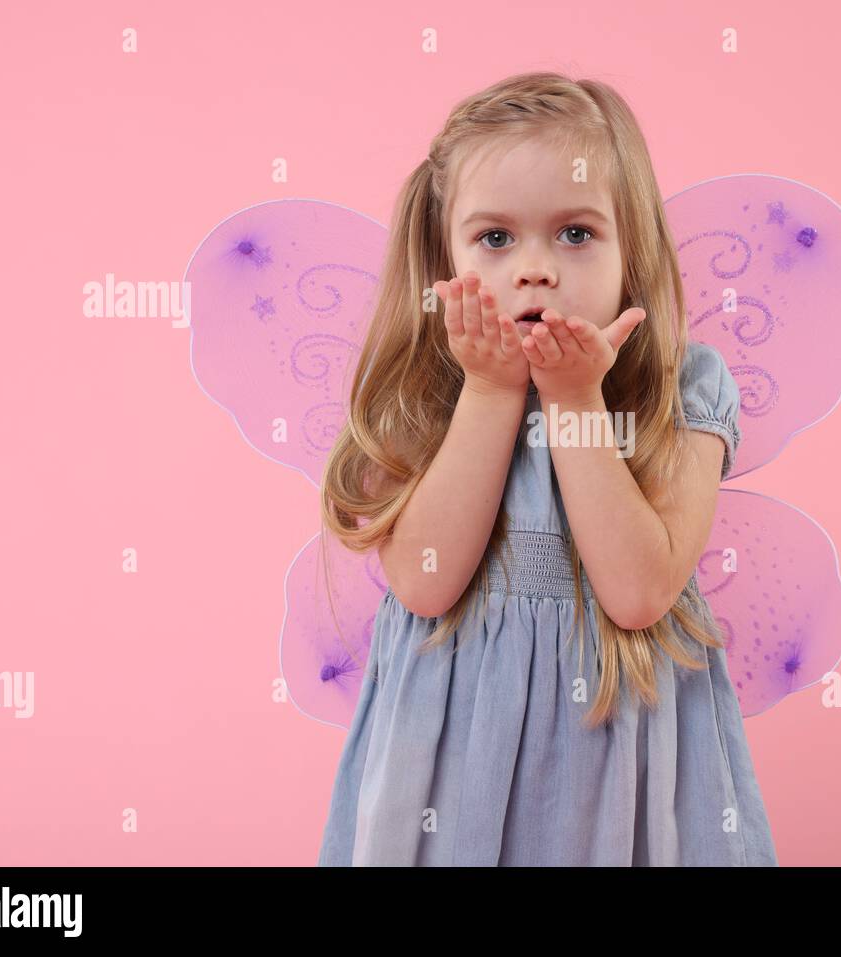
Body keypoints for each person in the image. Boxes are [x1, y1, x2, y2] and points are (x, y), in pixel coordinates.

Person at [316, 71, 778, 866]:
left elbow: (637, 593)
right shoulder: (425, 391)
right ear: (444, 257)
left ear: (632, 245)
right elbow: (427, 581)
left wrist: (574, 400)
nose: (535, 268)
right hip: (454, 777)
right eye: (495, 239)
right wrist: (494, 389)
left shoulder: (684, 389)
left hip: (621, 768)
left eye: (575, 234)